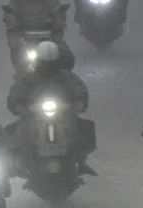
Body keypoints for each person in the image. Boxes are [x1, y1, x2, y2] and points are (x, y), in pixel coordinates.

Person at [7, 40, 95, 175]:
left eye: (51, 63)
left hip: (65, 115)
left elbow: (79, 88)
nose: (48, 67)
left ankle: (80, 160)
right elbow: (17, 92)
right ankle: (20, 163)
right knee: (15, 132)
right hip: (33, 116)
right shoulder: (30, 78)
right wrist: (19, 106)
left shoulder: (66, 77)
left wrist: (79, 103)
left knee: (85, 128)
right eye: (45, 63)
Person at [3, 0, 66, 71]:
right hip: (23, 36)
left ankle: (62, 72)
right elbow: (10, 13)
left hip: (48, 36)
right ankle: (20, 72)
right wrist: (12, 21)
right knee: (16, 47)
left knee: (63, 50)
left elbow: (58, 11)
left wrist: (59, 20)